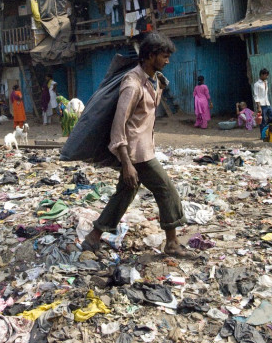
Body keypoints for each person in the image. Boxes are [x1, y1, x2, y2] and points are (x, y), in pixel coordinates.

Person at [82, 33, 194, 259]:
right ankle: (172, 243)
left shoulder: (154, 79)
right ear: (150, 56)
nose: (168, 61)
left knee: (125, 192)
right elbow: (119, 125)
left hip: (143, 148)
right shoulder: (132, 84)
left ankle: (94, 236)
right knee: (166, 190)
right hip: (136, 154)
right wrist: (127, 164)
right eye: (164, 56)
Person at [254, 68, 272, 135]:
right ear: (261, 75)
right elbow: (256, 96)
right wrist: (259, 107)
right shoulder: (257, 84)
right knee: (263, 121)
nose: (267, 77)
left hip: (267, 103)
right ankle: (263, 135)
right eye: (266, 75)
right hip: (262, 105)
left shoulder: (266, 82)